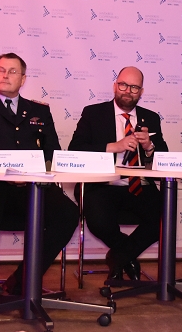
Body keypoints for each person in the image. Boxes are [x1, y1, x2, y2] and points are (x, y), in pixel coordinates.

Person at [0, 53, 79, 297]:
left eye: (12, 71)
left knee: (68, 213)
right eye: (1, 70)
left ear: (23, 79)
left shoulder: (39, 110)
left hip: (31, 187)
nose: (5, 75)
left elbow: (52, 152)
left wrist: (32, 172)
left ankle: (24, 278)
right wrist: (5, 171)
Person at [68, 66, 168, 280]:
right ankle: (127, 257)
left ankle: (118, 257)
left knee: (165, 216)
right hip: (102, 185)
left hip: (139, 185)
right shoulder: (93, 113)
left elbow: (165, 159)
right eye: (123, 85)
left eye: (134, 87)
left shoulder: (150, 117)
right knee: (99, 220)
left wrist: (149, 146)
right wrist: (114, 146)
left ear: (141, 92)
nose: (127, 91)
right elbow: (75, 150)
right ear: (115, 86)